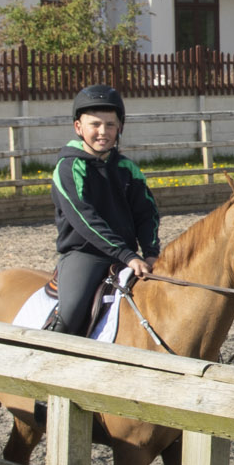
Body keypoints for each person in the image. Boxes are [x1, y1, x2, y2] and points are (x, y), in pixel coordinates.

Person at [47, 83, 160, 335]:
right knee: (71, 313)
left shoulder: (127, 168)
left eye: (110, 125)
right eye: (95, 125)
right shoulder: (69, 167)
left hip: (128, 254)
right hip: (86, 255)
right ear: (78, 127)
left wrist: (151, 251)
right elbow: (85, 219)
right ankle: (50, 353)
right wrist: (127, 255)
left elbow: (146, 213)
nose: (103, 132)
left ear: (120, 127)